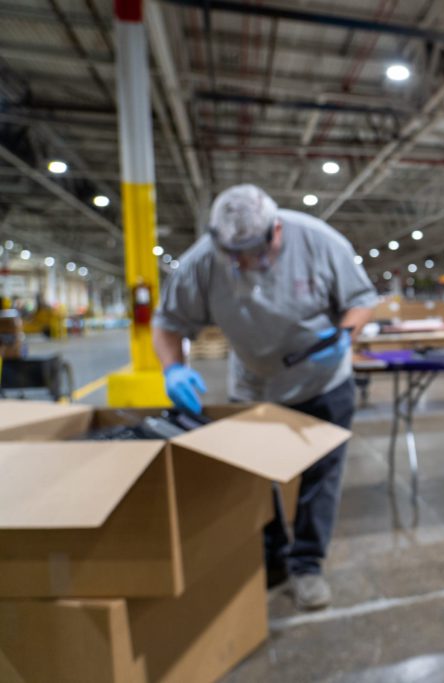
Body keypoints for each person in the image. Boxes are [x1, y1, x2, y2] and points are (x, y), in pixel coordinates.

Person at [152, 184, 376, 610]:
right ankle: (272, 559)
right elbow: (167, 323)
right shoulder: (204, 261)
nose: (243, 264)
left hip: (322, 381)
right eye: (233, 255)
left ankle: (307, 565)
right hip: (255, 386)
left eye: (252, 252)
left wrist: (346, 334)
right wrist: (173, 368)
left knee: (320, 479)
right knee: (257, 477)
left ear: (276, 230)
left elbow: (362, 300)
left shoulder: (319, 241)